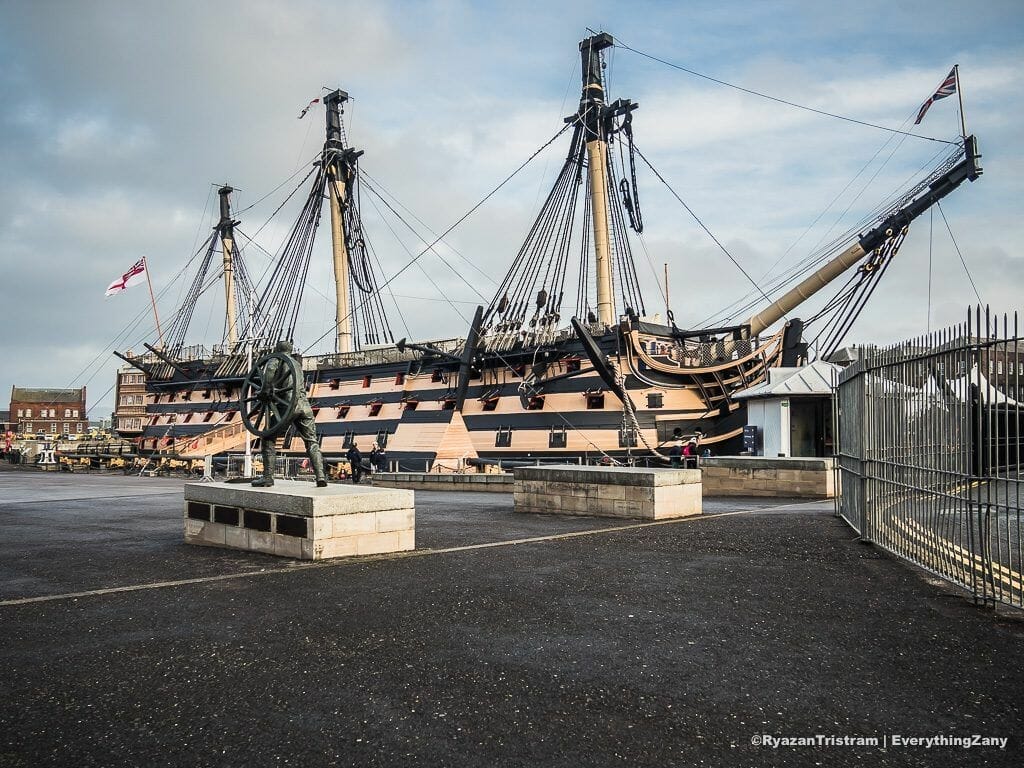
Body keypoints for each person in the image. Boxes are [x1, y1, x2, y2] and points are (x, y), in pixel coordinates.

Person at [250, 340, 327, 488]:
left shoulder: (276, 359)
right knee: (312, 442)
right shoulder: (297, 363)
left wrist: (265, 390)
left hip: (288, 405)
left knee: (267, 437)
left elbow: (270, 370)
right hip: (305, 406)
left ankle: (267, 477)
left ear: (277, 349)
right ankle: (320, 476)